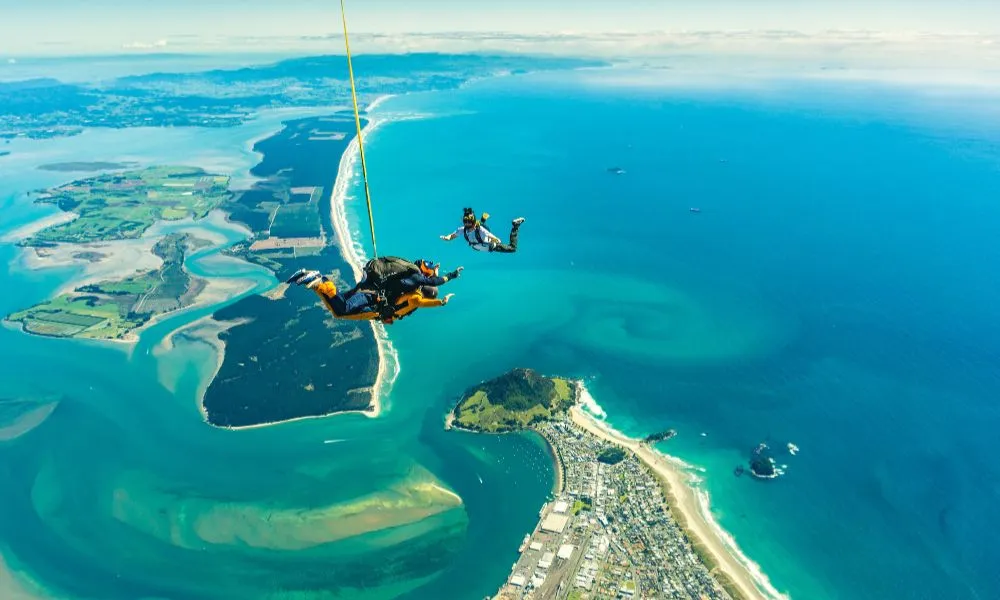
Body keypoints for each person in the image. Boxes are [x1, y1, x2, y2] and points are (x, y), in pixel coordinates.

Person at [440, 207, 524, 253]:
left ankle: (515, 226)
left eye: (469, 222)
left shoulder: (480, 230)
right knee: (481, 226)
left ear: (473, 222)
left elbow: (491, 236)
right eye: (466, 222)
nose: (467, 224)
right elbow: (452, 235)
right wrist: (446, 238)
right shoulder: (463, 229)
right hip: (480, 247)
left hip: (489, 245)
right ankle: (483, 220)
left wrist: (495, 240)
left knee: (513, 248)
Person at [383, 285, 454, 324]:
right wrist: (442, 302)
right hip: (386, 312)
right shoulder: (416, 299)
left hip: (386, 305)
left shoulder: (414, 290)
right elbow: (425, 303)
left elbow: (431, 283)